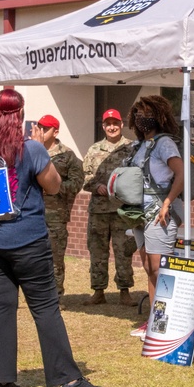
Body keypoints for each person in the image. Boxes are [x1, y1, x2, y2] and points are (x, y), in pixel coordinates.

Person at [0, 89, 104, 387]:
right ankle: (67, 381)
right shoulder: (31, 148)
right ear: (20, 114)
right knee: (44, 308)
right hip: (26, 239)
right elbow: (54, 185)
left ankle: (4, 384)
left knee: (1, 308)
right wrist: (39, 149)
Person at [125, 95, 184, 340]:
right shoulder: (139, 145)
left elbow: (181, 174)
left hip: (160, 212)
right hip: (140, 213)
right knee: (150, 267)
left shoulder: (164, 144)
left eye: (146, 112)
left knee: (161, 269)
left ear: (159, 116)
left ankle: (167, 320)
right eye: (138, 113)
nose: (141, 117)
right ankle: (154, 320)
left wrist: (168, 203)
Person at [81, 108, 137, 306]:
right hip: (99, 210)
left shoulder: (132, 148)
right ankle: (98, 291)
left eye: (115, 123)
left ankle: (125, 291)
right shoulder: (94, 150)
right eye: (108, 124)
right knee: (97, 251)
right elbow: (84, 177)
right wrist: (96, 186)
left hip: (123, 210)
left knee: (123, 251)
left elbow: (138, 175)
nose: (112, 127)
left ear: (121, 125)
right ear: (103, 126)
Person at [31, 114, 83, 297]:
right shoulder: (29, 150)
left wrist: (53, 187)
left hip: (55, 216)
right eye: (40, 128)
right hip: (31, 213)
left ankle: (55, 296)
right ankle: (36, 295)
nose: (42, 131)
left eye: (46, 129)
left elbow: (77, 183)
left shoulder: (67, 155)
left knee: (55, 258)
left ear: (56, 131)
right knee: (31, 257)